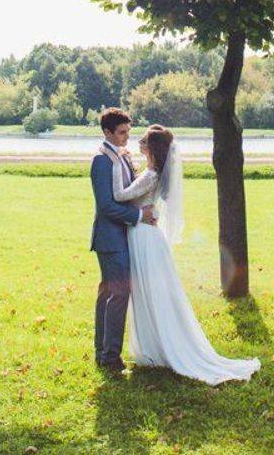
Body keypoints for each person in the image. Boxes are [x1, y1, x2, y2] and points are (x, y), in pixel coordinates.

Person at [111, 122, 261, 384]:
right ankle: (154, 345)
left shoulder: (151, 175)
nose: (139, 143)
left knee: (151, 292)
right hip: (145, 234)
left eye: (144, 141)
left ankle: (160, 346)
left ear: (153, 148)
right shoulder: (152, 173)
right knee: (149, 292)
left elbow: (119, 195)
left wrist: (115, 164)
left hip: (144, 237)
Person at [90, 107, 153, 372]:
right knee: (117, 294)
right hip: (110, 239)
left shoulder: (122, 156)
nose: (127, 137)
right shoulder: (102, 161)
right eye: (121, 133)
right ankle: (109, 357)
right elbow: (106, 206)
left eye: (128, 132)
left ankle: (103, 353)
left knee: (110, 293)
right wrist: (139, 215)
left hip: (122, 237)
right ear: (107, 132)